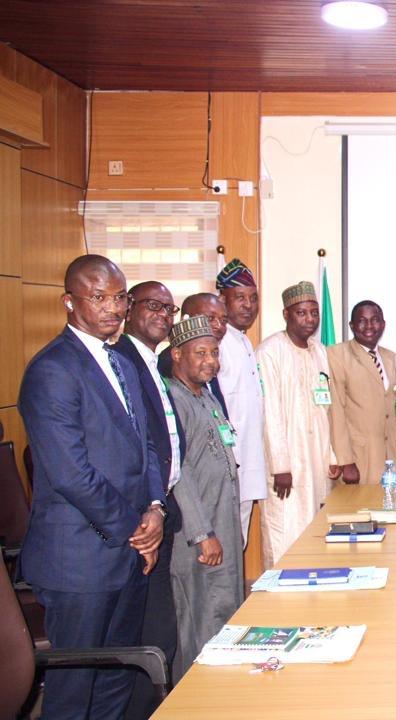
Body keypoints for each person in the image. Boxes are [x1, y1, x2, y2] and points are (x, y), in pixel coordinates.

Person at [18, 255, 163, 720]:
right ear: (69, 301)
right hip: (80, 561)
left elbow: (147, 446)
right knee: (73, 691)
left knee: (116, 679)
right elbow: (71, 474)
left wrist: (156, 508)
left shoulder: (122, 362)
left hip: (130, 554)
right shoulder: (52, 369)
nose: (113, 308)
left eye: (119, 297)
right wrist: (135, 529)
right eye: (98, 297)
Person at [113, 281, 185, 720]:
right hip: (138, 518)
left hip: (161, 506)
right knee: (144, 632)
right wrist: (150, 507)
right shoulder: (119, 361)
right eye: (153, 305)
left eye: (169, 309)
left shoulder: (152, 362)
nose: (163, 315)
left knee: (159, 628)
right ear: (128, 308)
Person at [165, 315, 244, 682]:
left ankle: (224, 693)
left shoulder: (207, 395)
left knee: (226, 609)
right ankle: (194, 697)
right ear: (177, 354)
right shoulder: (173, 399)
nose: (211, 361)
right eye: (201, 353)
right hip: (196, 535)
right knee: (199, 618)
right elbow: (177, 472)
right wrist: (202, 533)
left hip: (221, 521)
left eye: (214, 353)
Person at [257, 281, 338, 566]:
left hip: (316, 460)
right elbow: (269, 413)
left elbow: (327, 410)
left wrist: (332, 458)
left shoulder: (319, 351)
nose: (310, 320)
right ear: (286, 315)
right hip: (287, 464)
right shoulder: (270, 351)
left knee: (316, 530)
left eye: (314, 313)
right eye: (301, 313)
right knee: (285, 532)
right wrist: (280, 466)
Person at [216, 258, 268, 545]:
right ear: (222, 300)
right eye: (240, 298)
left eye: (253, 298)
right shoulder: (217, 344)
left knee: (238, 544)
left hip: (246, 463)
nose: (248, 305)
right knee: (224, 549)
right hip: (227, 467)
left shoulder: (244, 342)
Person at [327, 300, 396, 483]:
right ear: (352, 325)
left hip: (390, 459)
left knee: (388, 502)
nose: (369, 326)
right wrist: (346, 461)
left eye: (375, 320)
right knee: (358, 503)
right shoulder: (336, 355)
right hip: (358, 459)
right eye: (362, 321)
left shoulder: (392, 358)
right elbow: (336, 411)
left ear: (383, 324)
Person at [159, 293, 230, 416]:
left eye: (223, 321)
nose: (218, 326)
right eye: (210, 318)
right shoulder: (169, 365)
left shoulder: (210, 359)